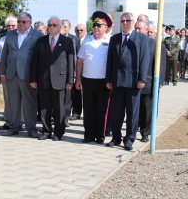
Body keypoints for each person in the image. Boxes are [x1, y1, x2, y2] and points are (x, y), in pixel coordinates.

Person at [105, 12, 149, 151]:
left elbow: (144, 59)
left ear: (133, 21)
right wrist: (108, 79)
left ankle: (129, 139)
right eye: (122, 21)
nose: (125, 23)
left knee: (132, 113)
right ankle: (116, 138)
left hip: (133, 81)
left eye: (127, 20)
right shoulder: (115, 38)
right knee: (116, 112)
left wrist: (142, 78)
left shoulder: (141, 38)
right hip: (117, 81)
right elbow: (110, 61)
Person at [30, 16, 74, 141]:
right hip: (44, 79)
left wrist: (70, 80)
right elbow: (35, 61)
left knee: (59, 107)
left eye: (54, 25)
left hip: (60, 79)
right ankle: (46, 131)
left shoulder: (67, 41)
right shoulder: (41, 41)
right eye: (49, 25)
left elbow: (71, 62)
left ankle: (59, 132)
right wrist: (33, 79)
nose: (52, 27)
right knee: (44, 107)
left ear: (60, 27)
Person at [0, 12, 43, 138]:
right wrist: (3, 72)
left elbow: (40, 57)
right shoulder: (10, 34)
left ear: (30, 22)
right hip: (11, 74)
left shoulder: (37, 35)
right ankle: (14, 126)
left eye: (24, 22)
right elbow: (4, 55)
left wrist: (37, 77)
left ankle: (31, 128)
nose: (21, 24)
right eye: (19, 22)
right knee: (13, 102)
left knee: (30, 102)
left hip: (28, 75)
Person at [75, 11, 112, 144]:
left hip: (103, 81)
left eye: (99, 25)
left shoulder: (110, 40)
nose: (96, 28)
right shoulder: (87, 40)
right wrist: (78, 79)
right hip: (88, 79)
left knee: (102, 110)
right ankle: (88, 134)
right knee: (89, 109)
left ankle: (100, 135)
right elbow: (80, 60)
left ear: (105, 27)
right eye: (94, 25)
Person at [137, 23, 166, 143]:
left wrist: (159, 82)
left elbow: (161, 66)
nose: (148, 34)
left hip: (149, 83)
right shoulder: (133, 43)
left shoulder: (157, 46)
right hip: (132, 83)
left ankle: (145, 132)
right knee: (136, 109)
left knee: (147, 109)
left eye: (150, 32)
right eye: (136, 28)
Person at [0, 16, 19, 131]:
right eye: (8, 26)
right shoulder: (2, 39)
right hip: (7, 73)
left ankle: (20, 121)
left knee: (21, 99)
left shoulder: (22, 37)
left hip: (21, 73)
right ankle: (9, 121)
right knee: (8, 98)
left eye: (13, 25)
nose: (10, 27)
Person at [61, 19, 80, 122]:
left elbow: (77, 58)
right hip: (58, 73)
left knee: (68, 97)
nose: (63, 28)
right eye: (61, 26)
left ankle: (66, 117)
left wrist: (75, 74)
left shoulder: (74, 39)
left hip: (70, 72)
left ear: (69, 28)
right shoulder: (55, 38)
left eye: (65, 26)